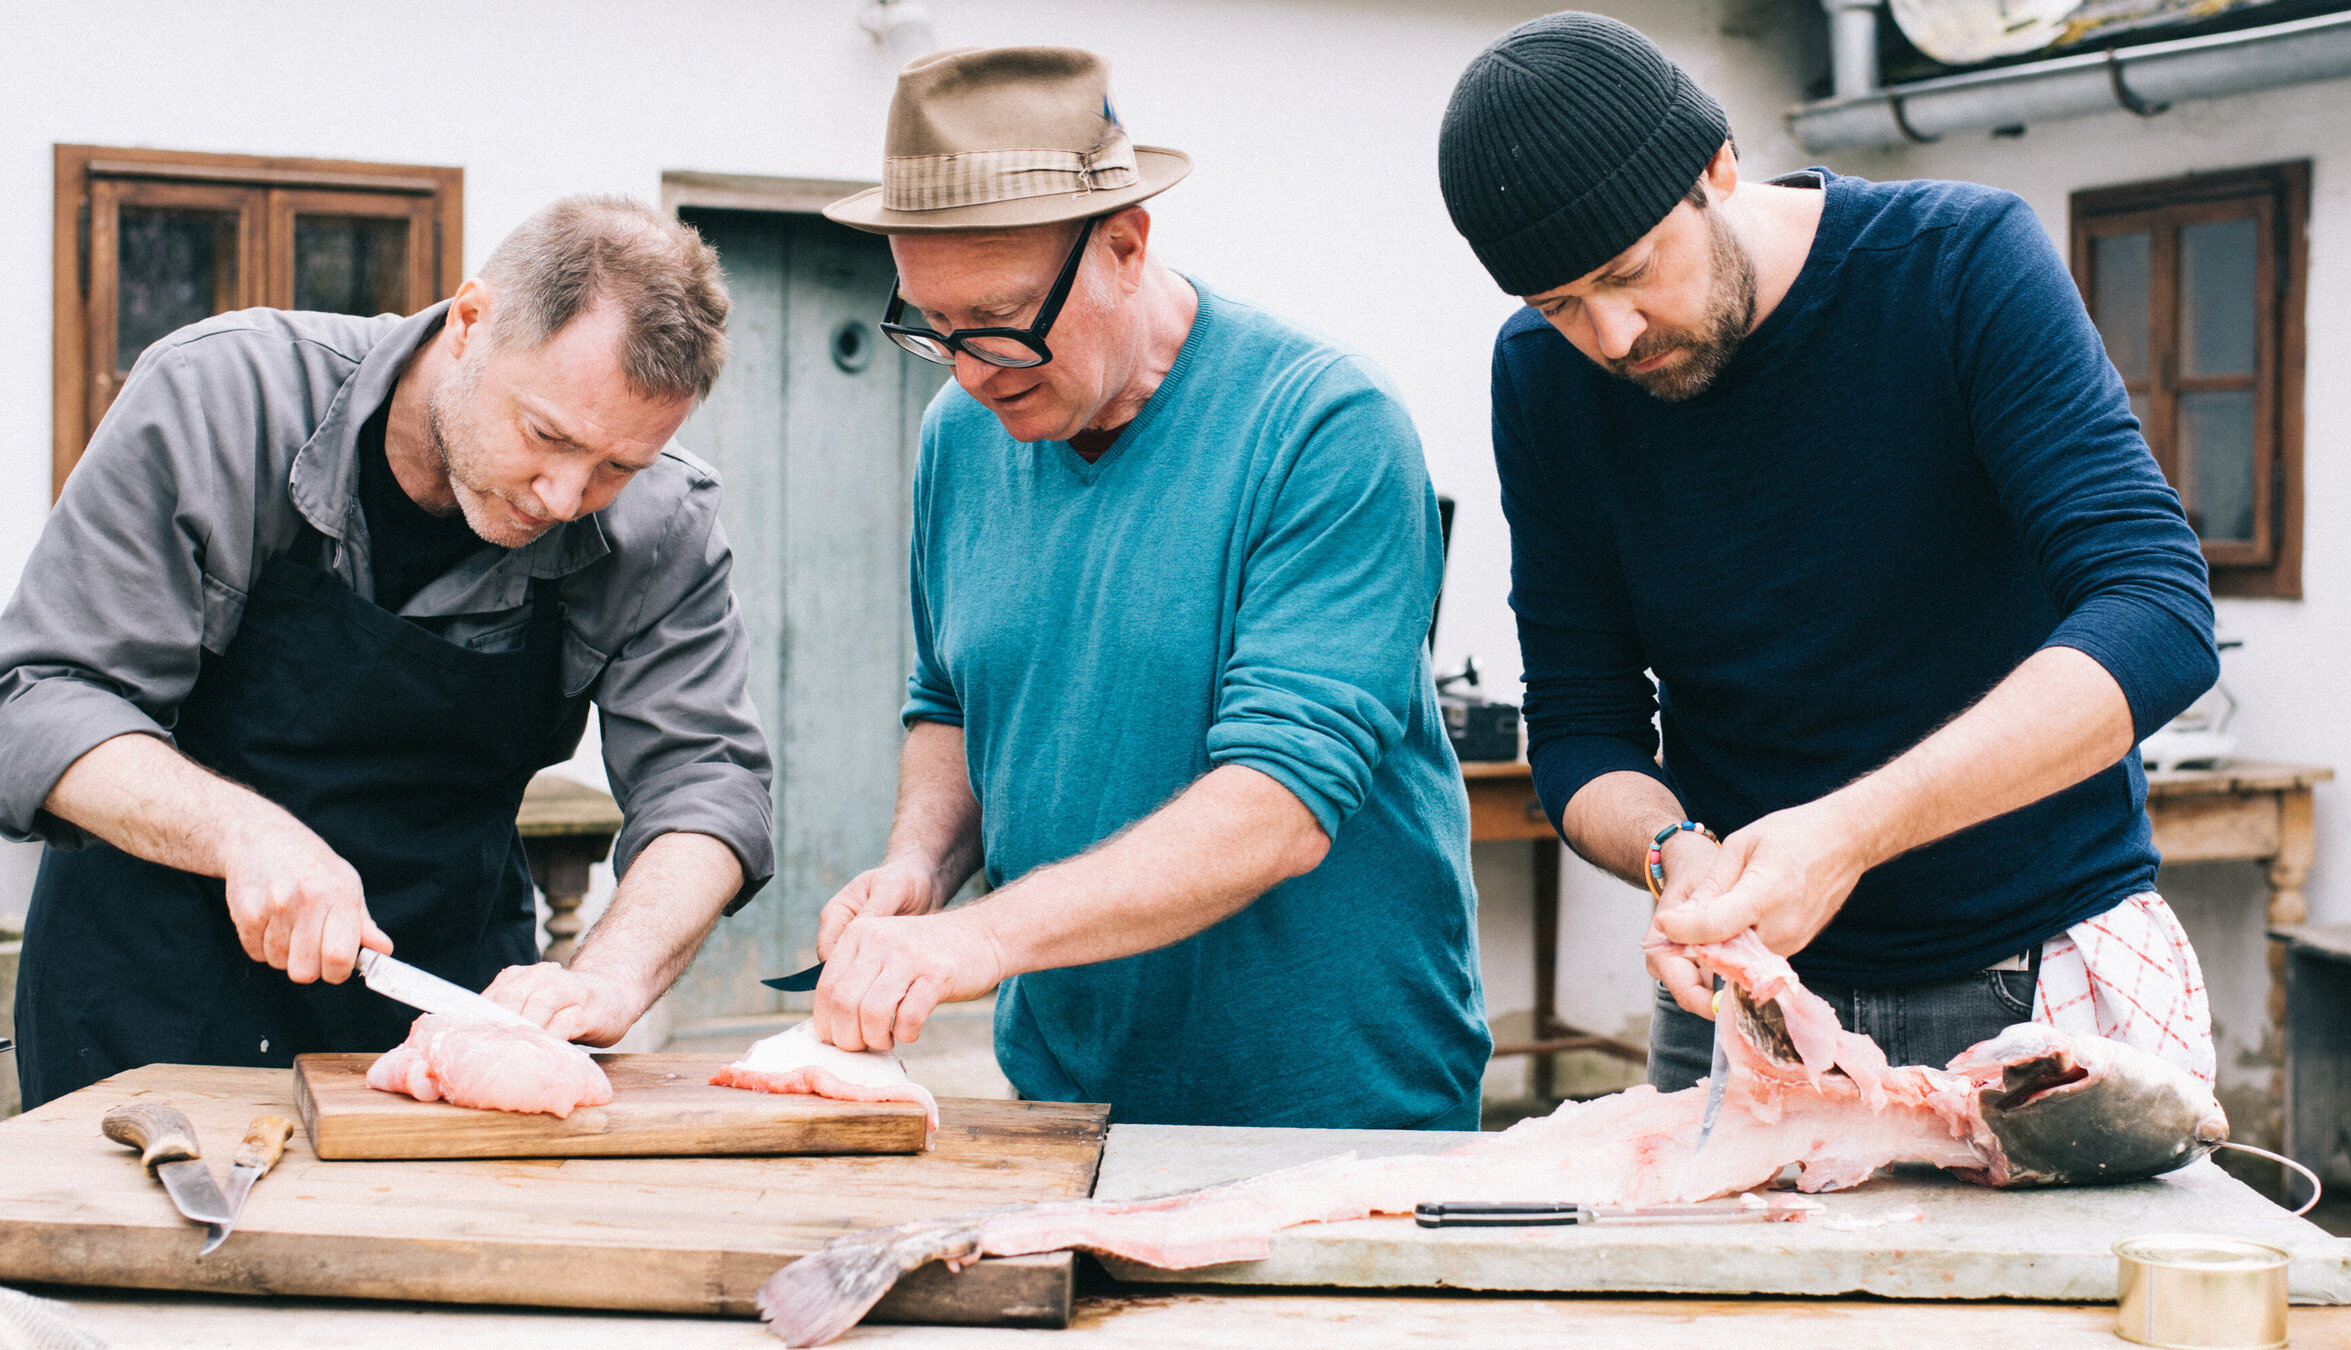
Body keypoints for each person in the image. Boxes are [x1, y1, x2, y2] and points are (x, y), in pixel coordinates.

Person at [1435, 13, 2220, 1091]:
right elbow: (1580, 726)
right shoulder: (1541, 376)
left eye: (1628, 271)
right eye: (1559, 304)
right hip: (1750, 991)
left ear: (1717, 164)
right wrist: (1675, 855)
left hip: (2035, 969)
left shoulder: (1958, 265)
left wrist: (1850, 833)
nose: (1611, 339)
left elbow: (2158, 612)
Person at [804, 45, 1488, 1130]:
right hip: (1066, 1094)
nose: (977, 370)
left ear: (1126, 246)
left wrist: (979, 937)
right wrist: (919, 870)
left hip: (1328, 1104)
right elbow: (951, 702)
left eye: (1004, 319)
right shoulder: (961, 438)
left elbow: (1281, 806)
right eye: (936, 331)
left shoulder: (1322, 426)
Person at [2, 196, 774, 1109]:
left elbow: (709, 784)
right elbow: (42, 696)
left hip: (442, 1026)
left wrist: (610, 975)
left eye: (618, 467)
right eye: (547, 436)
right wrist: (246, 835)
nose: (567, 496)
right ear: (470, 322)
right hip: (146, 999)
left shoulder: (664, 525)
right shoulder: (218, 400)